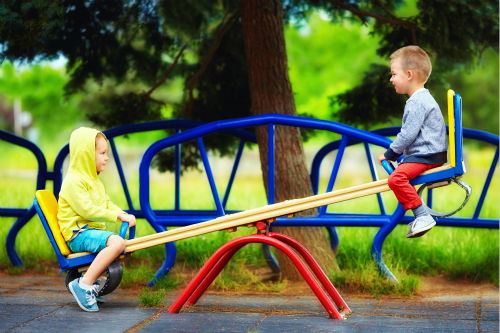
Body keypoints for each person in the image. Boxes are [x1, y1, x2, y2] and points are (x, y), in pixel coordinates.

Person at [57, 127, 136, 312]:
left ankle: (85, 283)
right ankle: (83, 285)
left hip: (89, 232)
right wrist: (116, 216)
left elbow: (106, 203)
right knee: (117, 243)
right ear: (86, 155)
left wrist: (123, 213)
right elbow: (87, 209)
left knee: (118, 244)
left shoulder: (94, 180)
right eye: (102, 153)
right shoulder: (74, 181)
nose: (106, 158)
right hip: (78, 234)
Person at [378, 45, 447, 238]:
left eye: (393, 74)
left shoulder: (417, 102)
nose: (391, 79)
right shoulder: (422, 98)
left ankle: (422, 216)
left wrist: (390, 154)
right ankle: (421, 213)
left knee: (396, 178)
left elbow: (407, 134)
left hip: (426, 155)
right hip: (428, 153)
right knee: (400, 173)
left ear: (409, 74)